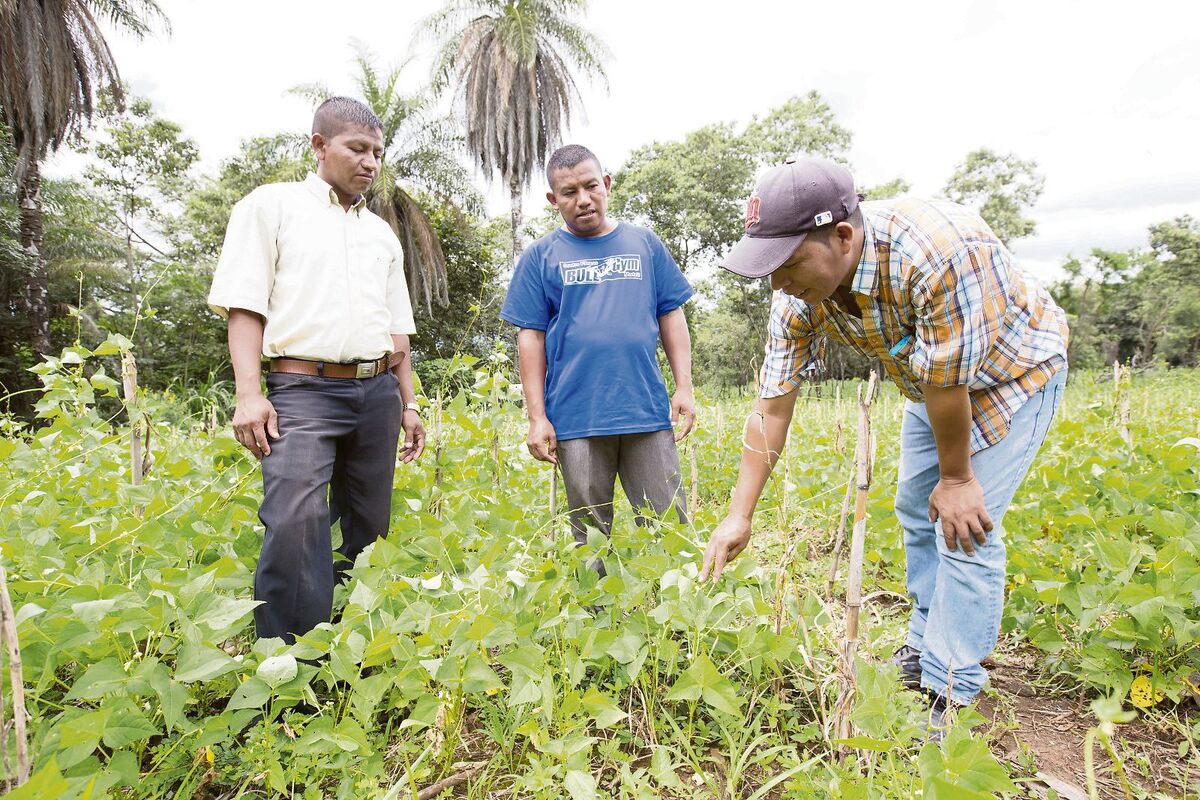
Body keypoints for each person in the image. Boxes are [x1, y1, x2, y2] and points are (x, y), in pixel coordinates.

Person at [700, 156, 1069, 724]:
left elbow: (950, 382)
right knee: (916, 511)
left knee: (963, 525)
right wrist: (738, 515)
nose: (778, 282)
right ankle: (924, 645)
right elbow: (771, 406)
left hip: (1013, 375)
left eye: (788, 263)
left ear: (842, 238)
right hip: (933, 385)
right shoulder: (796, 297)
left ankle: (951, 688)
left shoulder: (936, 253)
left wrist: (957, 479)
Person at [207, 96, 425, 643]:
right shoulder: (270, 207)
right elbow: (244, 307)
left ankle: (353, 645)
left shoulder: (381, 234)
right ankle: (288, 660)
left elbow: (397, 330)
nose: (370, 162)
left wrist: (409, 403)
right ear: (320, 145)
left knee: (369, 525)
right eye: (358, 148)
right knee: (295, 521)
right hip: (301, 389)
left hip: (377, 392)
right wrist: (249, 394)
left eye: (377, 152)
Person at [501, 144, 695, 574]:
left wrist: (684, 387)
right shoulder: (540, 256)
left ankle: (677, 611)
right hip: (576, 418)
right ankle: (596, 612)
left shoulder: (644, 244)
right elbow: (530, 337)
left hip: (645, 412)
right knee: (590, 539)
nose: (583, 199)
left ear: (606, 184)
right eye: (569, 192)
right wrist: (537, 417)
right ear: (553, 200)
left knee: (669, 528)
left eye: (591, 186)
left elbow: (671, 314)